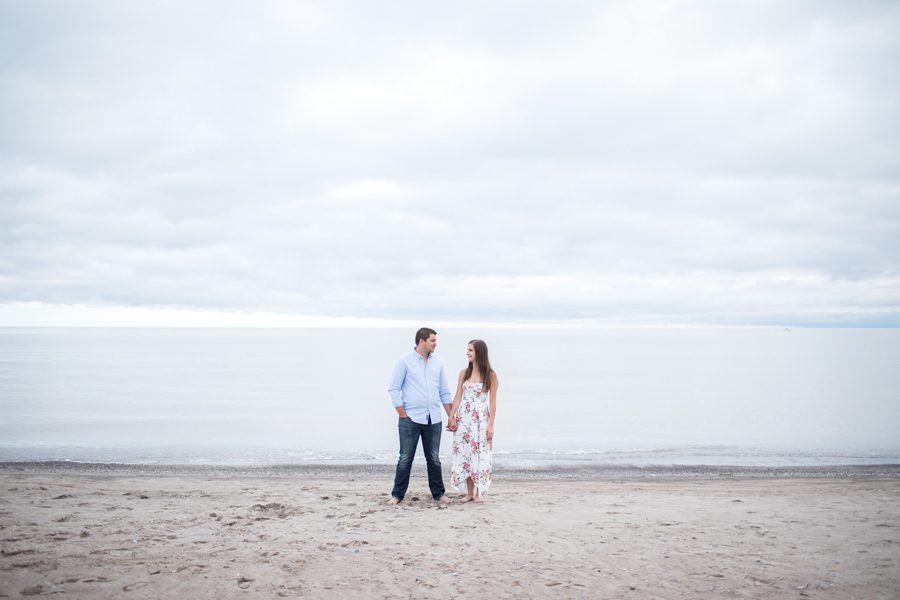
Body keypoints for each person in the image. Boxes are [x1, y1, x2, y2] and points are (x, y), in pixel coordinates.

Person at [387, 327, 454, 505]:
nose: (435, 344)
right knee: (405, 458)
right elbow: (394, 389)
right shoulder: (404, 361)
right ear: (422, 340)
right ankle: (397, 495)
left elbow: (444, 392)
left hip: (434, 419)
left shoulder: (438, 363)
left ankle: (439, 494)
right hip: (410, 419)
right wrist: (402, 413)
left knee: (434, 459)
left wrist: (451, 416)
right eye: (432, 340)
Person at [447, 339, 498, 503]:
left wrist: (490, 425)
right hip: (464, 420)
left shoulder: (490, 375)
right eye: (467, 350)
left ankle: (479, 492)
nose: (467, 353)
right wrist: (451, 415)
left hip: (481, 419)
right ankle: (469, 493)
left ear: (479, 353)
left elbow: (492, 402)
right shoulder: (464, 373)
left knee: (480, 454)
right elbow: (457, 396)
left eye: (470, 350)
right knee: (465, 454)